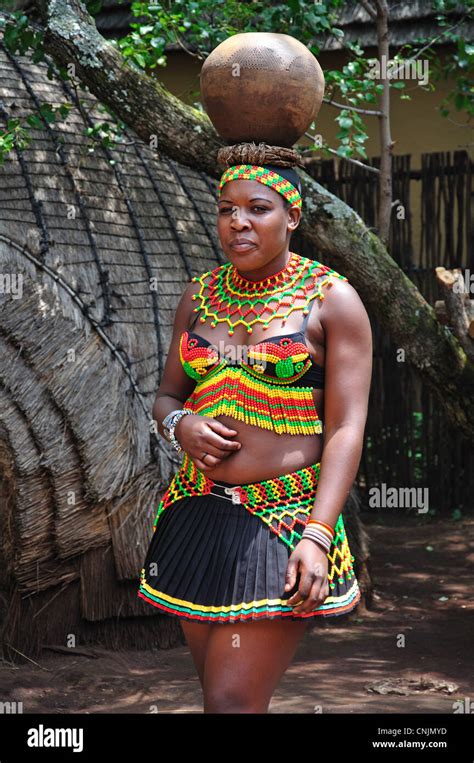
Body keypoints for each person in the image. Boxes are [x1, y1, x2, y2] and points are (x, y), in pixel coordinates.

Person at [138, 145, 373, 714]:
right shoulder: (198, 298)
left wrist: (318, 534)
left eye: (258, 208)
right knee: (218, 697)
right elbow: (167, 394)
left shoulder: (333, 301)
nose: (238, 222)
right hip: (196, 512)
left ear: (292, 217)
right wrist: (179, 423)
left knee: (231, 701)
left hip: (286, 523)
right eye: (226, 209)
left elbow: (346, 426)